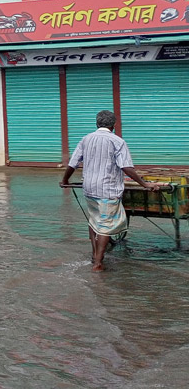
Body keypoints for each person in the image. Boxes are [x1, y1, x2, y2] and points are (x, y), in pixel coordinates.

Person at [60, 110, 165, 271]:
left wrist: (65, 180)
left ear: (97, 124)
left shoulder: (86, 139)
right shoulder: (117, 141)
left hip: (89, 189)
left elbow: (72, 164)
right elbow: (126, 168)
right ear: (113, 125)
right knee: (105, 225)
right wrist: (144, 184)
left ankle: (94, 255)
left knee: (94, 221)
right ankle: (98, 263)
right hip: (107, 189)